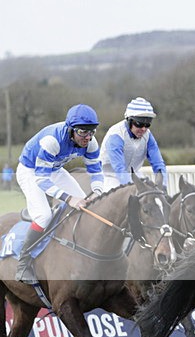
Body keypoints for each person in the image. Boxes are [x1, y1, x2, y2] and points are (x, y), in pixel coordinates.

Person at [15, 104, 104, 282]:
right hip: (31, 171)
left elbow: (96, 171)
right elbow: (41, 179)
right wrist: (68, 198)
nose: (87, 137)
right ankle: (22, 265)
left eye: (91, 131)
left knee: (88, 206)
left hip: (55, 169)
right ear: (70, 130)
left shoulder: (91, 143)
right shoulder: (52, 141)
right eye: (82, 132)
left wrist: (97, 191)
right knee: (43, 216)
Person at [99, 97, 167, 191]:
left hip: (135, 175)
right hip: (110, 176)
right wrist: (133, 189)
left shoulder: (148, 135)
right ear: (129, 120)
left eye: (147, 124)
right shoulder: (115, 135)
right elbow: (119, 169)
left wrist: (163, 187)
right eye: (139, 124)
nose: (143, 129)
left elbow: (158, 163)